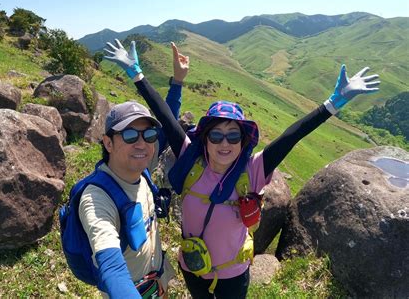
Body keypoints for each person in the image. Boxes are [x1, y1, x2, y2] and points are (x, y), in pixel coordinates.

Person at [104, 39, 381, 299]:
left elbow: (291, 136)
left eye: (233, 136)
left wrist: (333, 104)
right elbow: (163, 113)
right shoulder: (191, 159)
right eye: (216, 135)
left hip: (233, 275)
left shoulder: (253, 169)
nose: (225, 143)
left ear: (243, 140)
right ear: (205, 139)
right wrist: (137, 74)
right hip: (192, 266)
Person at [77, 41, 189, 299]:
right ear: (108, 142)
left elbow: (169, 119)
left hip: (156, 281)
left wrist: (178, 83)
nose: (141, 143)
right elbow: (111, 264)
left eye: (148, 134)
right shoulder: (97, 198)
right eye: (129, 135)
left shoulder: (142, 167)